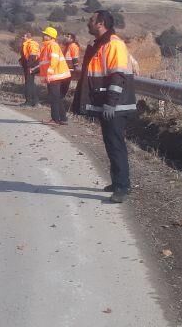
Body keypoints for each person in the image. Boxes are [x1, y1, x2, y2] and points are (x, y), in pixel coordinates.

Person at [71, 11, 136, 203]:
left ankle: (123, 187)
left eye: (91, 20)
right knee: (111, 143)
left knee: (116, 145)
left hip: (115, 105)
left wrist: (110, 102)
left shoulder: (114, 44)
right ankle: (118, 182)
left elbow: (118, 75)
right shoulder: (100, 44)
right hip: (108, 104)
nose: (88, 24)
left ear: (100, 23)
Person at [37, 26, 71, 124]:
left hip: (54, 75)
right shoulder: (48, 46)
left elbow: (54, 60)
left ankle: (55, 119)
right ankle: (63, 119)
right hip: (55, 75)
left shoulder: (52, 45)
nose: (43, 36)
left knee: (54, 97)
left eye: (45, 35)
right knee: (56, 97)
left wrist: (49, 73)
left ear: (50, 36)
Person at [19, 31, 40, 106]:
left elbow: (33, 56)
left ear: (27, 37)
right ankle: (35, 101)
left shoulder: (31, 44)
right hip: (29, 65)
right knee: (30, 83)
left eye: (23, 36)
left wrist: (29, 66)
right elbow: (26, 55)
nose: (22, 37)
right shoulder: (26, 44)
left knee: (28, 83)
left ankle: (29, 101)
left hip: (31, 66)